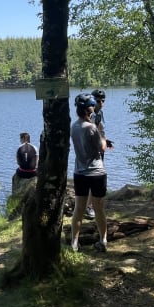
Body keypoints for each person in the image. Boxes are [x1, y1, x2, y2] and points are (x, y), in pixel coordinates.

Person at [69, 93, 109, 252]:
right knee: (99, 208)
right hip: (97, 172)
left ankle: (74, 242)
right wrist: (102, 134)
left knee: (79, 208)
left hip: (80, 172)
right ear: (88, 110)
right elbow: (101, 147)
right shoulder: (92, 127)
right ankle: (103, 240)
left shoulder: (74, 126)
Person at [86, 89, 113, 218]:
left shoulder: (99, 113)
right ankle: (89, 207)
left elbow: (100, 129)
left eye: (103, 100)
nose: (101, 103)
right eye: (98, 101)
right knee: (93, 177)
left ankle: (94, 204)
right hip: (90, 150)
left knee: (98, 176)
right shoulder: (89, 114)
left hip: (99, 148)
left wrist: (105, 140)